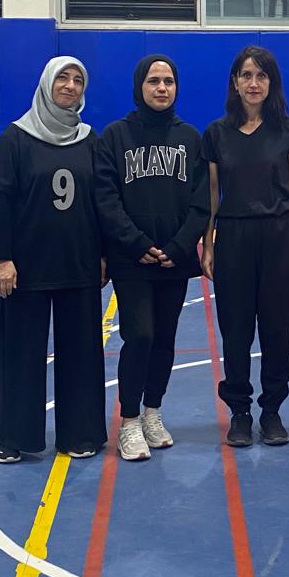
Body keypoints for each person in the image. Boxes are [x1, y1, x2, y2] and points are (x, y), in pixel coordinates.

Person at [0, 57, 106, 464]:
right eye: (63, 79)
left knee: (82, 353)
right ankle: (13, 436)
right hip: (27, 267)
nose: (70, 86)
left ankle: (80, 432)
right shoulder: (16, 138)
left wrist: (103, 254)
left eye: (77, 80)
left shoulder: (90, 140)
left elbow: (101, 202)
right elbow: (3, 203)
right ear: (46, 84)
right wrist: (3, 259)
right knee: (21, 353)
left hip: (79, 263)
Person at [94, 55, 209, 462]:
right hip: (131, 260)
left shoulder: (190, 138)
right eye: (154, 81)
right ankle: (128, 420)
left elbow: (201, 201)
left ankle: (152, 413)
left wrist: (179, 246)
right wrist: (136, 242)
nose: (162, 88)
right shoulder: (115, 136)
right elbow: (105, 198)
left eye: (169, 81)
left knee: (164, 340)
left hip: (174, 260)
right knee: (139, 334)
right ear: (139, 86)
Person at [201, 47, 289, 448]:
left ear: (271, 83)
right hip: (233, 237)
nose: (253, 83)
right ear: (235, 82)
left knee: (276, 328)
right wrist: (208, 242)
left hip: (280, 236)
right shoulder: (216, 134)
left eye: (261, 76)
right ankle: (240, 412)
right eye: (246, 75)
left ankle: (272, 410)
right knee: (235, 329)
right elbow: (212, 192)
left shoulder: (288, 129)